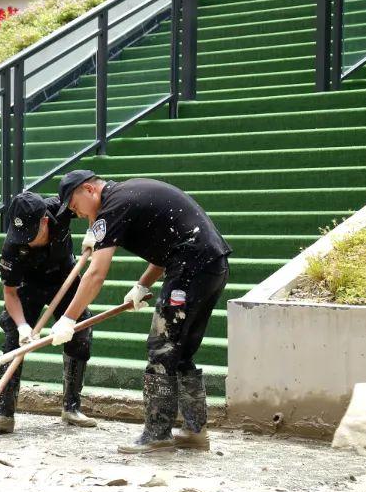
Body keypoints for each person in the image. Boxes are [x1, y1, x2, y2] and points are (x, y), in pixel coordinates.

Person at [51, 169, 231, 453]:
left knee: (161, 348)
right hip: (211, 264)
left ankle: (158, 433)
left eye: (76, 207)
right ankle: (195, 431)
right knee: (180, 351)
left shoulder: (113, 206)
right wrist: (142, 285)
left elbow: (96, 273)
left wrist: (69, 318)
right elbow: (167, 246)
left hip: (191, 267)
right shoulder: (127, 195)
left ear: (88, 190)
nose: (82, 216)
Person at [0, 191, 97, 434]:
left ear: (44, 221)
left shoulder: (61, 208)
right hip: (29, 285)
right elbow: (10, 293)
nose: (24, 240)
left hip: (64, 277)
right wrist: (23, 326)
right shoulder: (13, 247)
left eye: (30, 234)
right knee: (13, 338)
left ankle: (71, 407)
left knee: (79, 332)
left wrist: (93, 232)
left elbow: (95, 206)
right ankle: (4, 413)